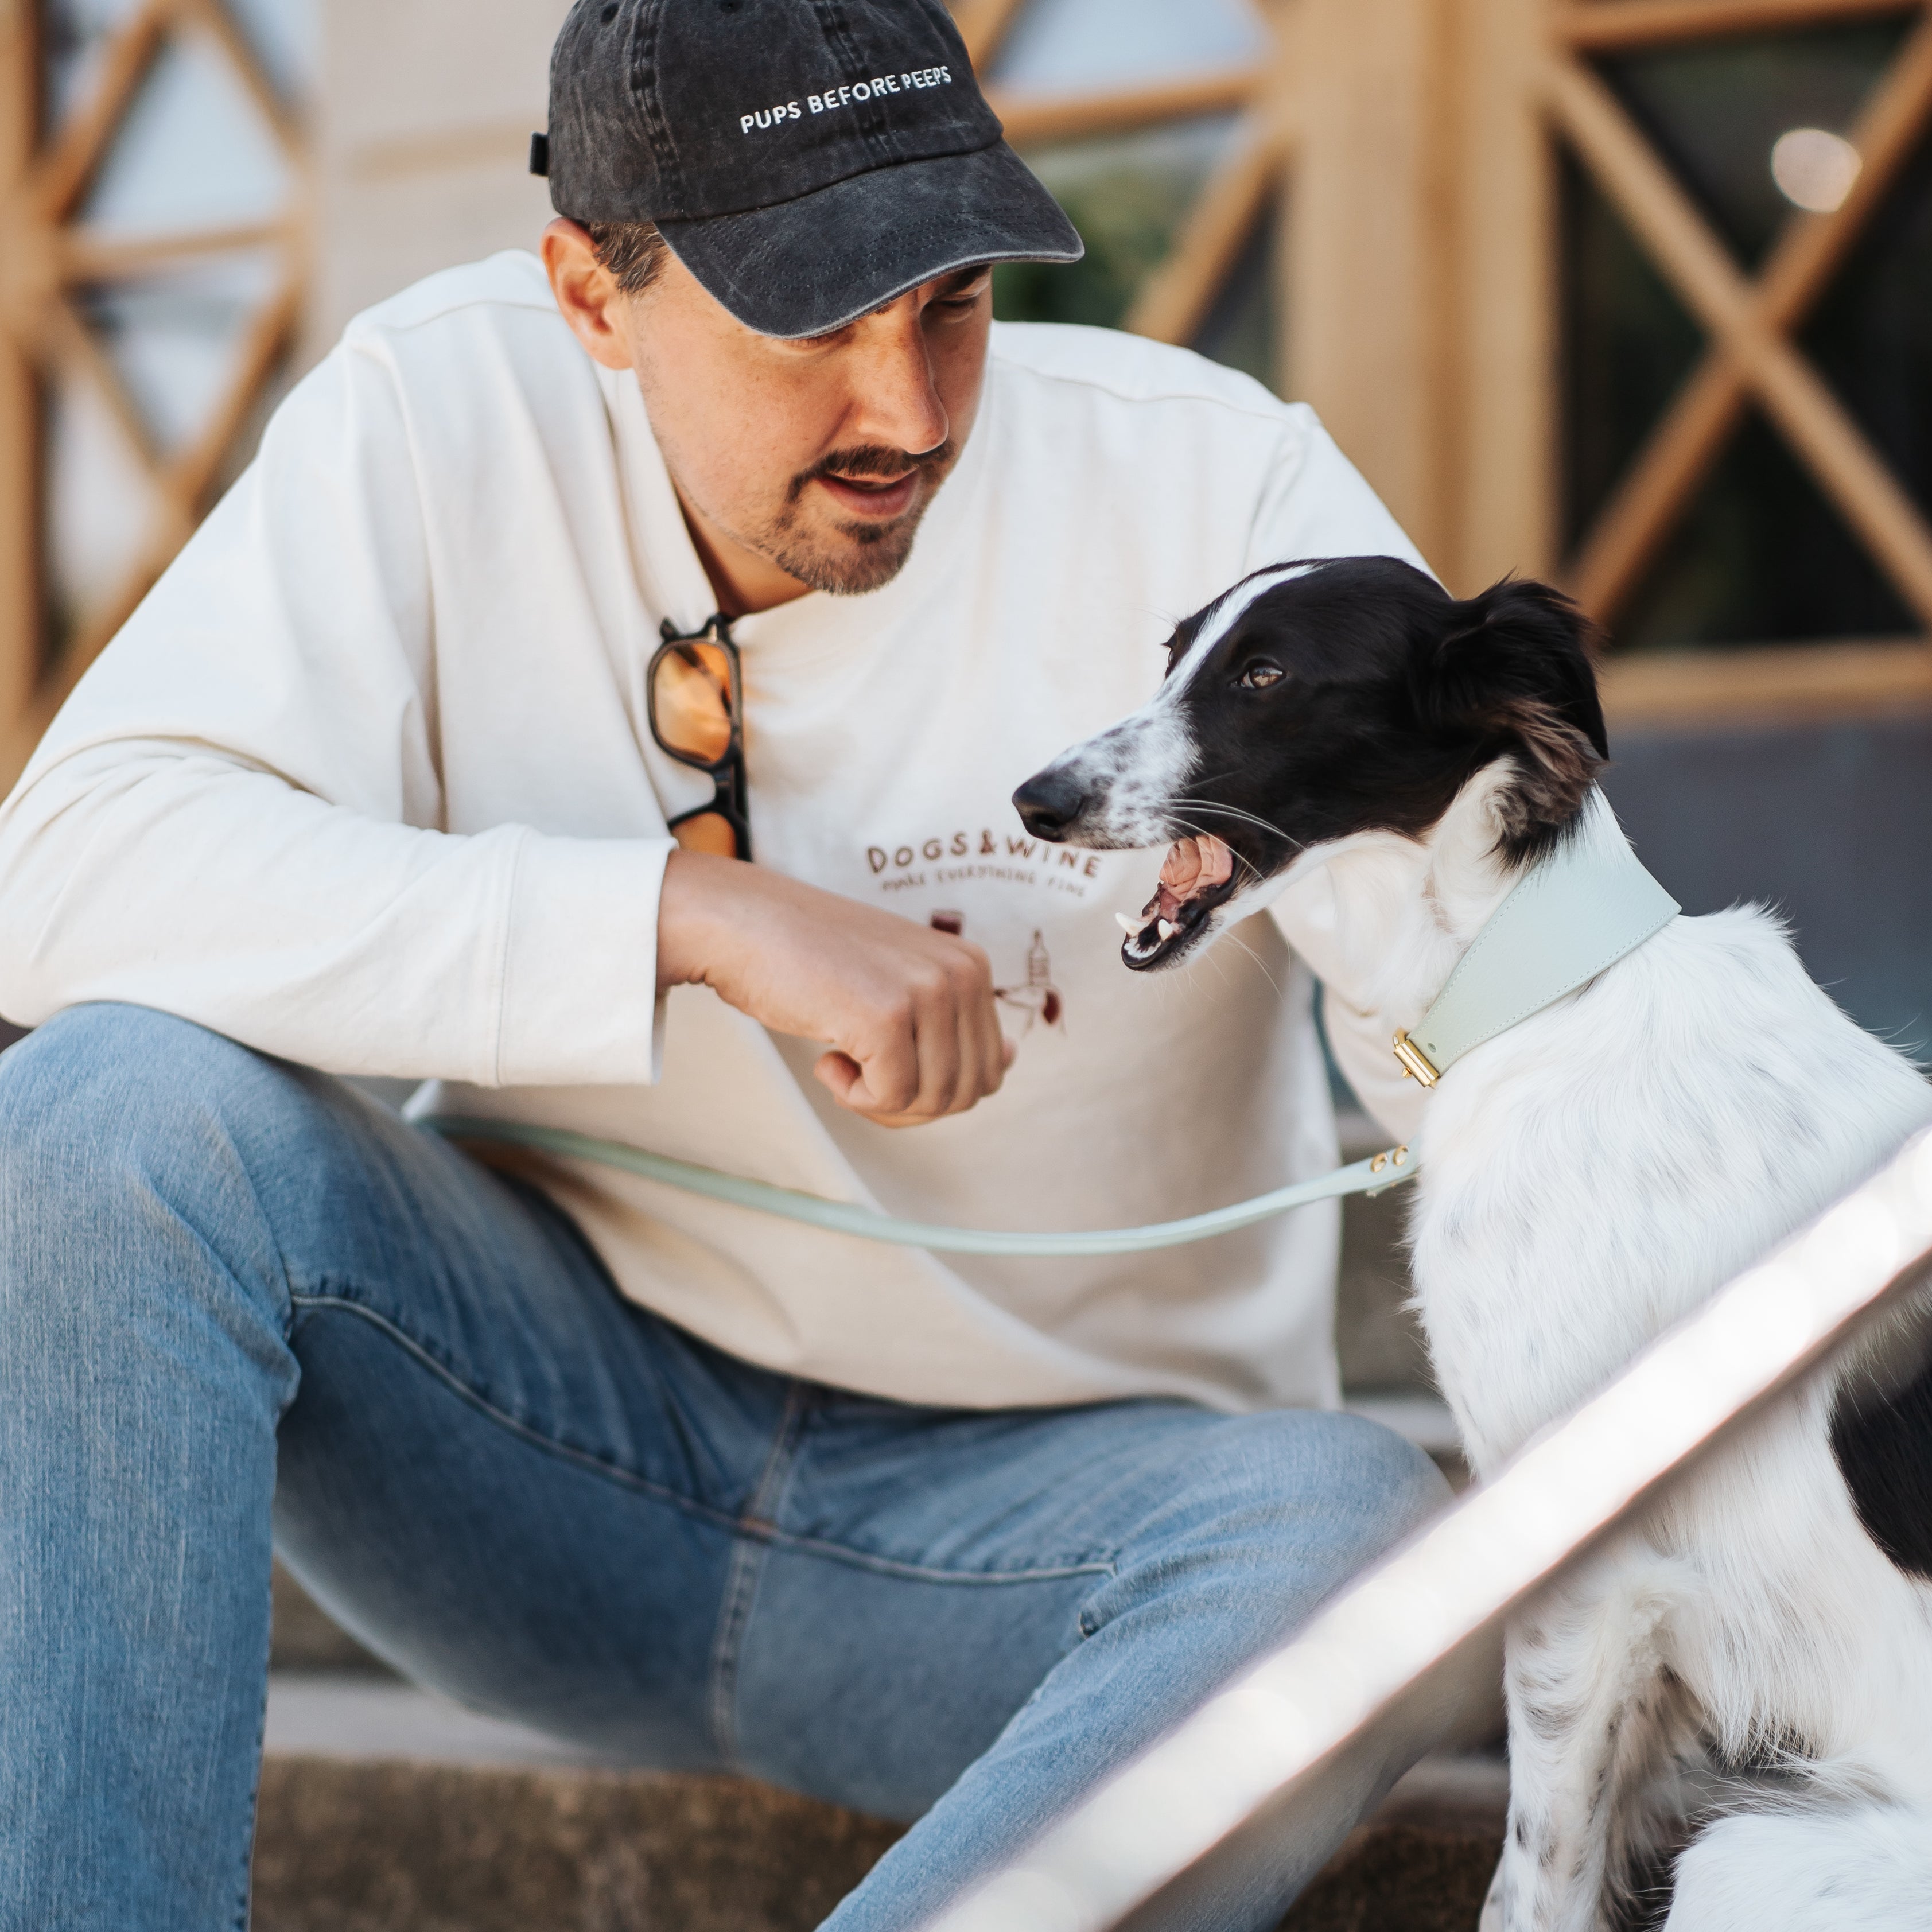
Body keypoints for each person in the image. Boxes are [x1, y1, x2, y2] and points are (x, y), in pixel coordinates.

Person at [0, 2, 1450, 1926]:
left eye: (952, 304)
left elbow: (1497, 926)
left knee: (1367, 1546)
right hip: (547, 1458)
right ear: (591, 296)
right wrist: (684, 920)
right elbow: (70, 871)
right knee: (110, 1116)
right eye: (813, 324)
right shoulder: (434, 416)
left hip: (1059, 1541)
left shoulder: (1221, 494)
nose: (909, 411)